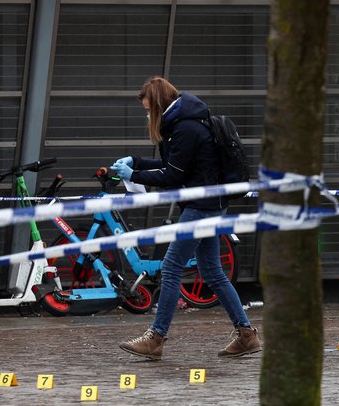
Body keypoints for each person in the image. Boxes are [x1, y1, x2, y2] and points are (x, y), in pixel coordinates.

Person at [112, 76, 261, 360]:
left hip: (201, 207)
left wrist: (134, 175)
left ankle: (156, 338)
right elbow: (176, 165)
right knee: (213, 273)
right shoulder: (185, 122)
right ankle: (246, 335)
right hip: (209, 205)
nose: (147, 115)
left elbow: (172, 175)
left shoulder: (185, 128)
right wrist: (137, 161)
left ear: (158, 105)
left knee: (170, 269)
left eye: (148, 110)